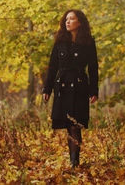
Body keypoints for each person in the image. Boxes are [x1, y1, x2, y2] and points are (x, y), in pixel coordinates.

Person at [42, 9, 99, 168]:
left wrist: (94, 91)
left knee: (75, 125)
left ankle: (75, 162)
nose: (67, 21)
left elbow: (93, 68)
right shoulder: (60, 42)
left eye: (71, 19)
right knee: (69, 126)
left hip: (80, 87)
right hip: (62, 87)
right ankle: (73, 160)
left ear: (79, 22)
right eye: (66, 19)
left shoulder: (88, 42)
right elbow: (52, 67)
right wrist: (47, 89)